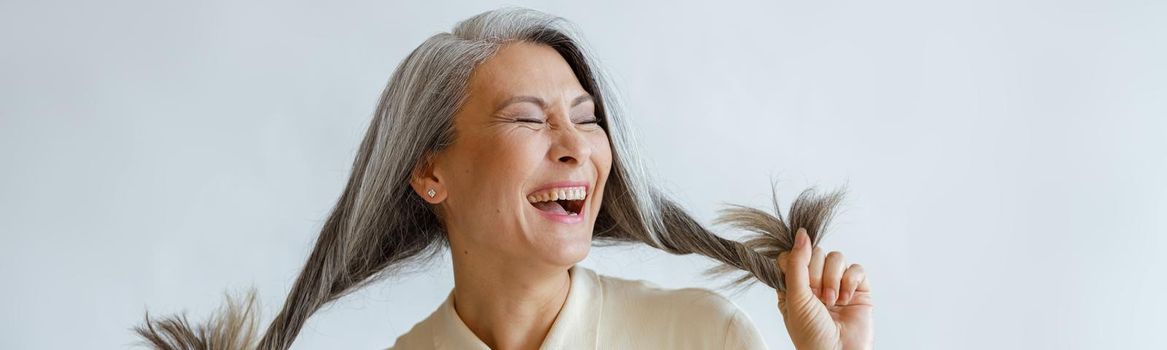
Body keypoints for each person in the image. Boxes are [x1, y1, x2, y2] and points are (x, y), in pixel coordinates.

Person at [135, 7, 873, 350]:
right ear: (429, 172)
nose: (575, 147)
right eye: (527, 119)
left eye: (586, 119)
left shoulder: (696, 336)